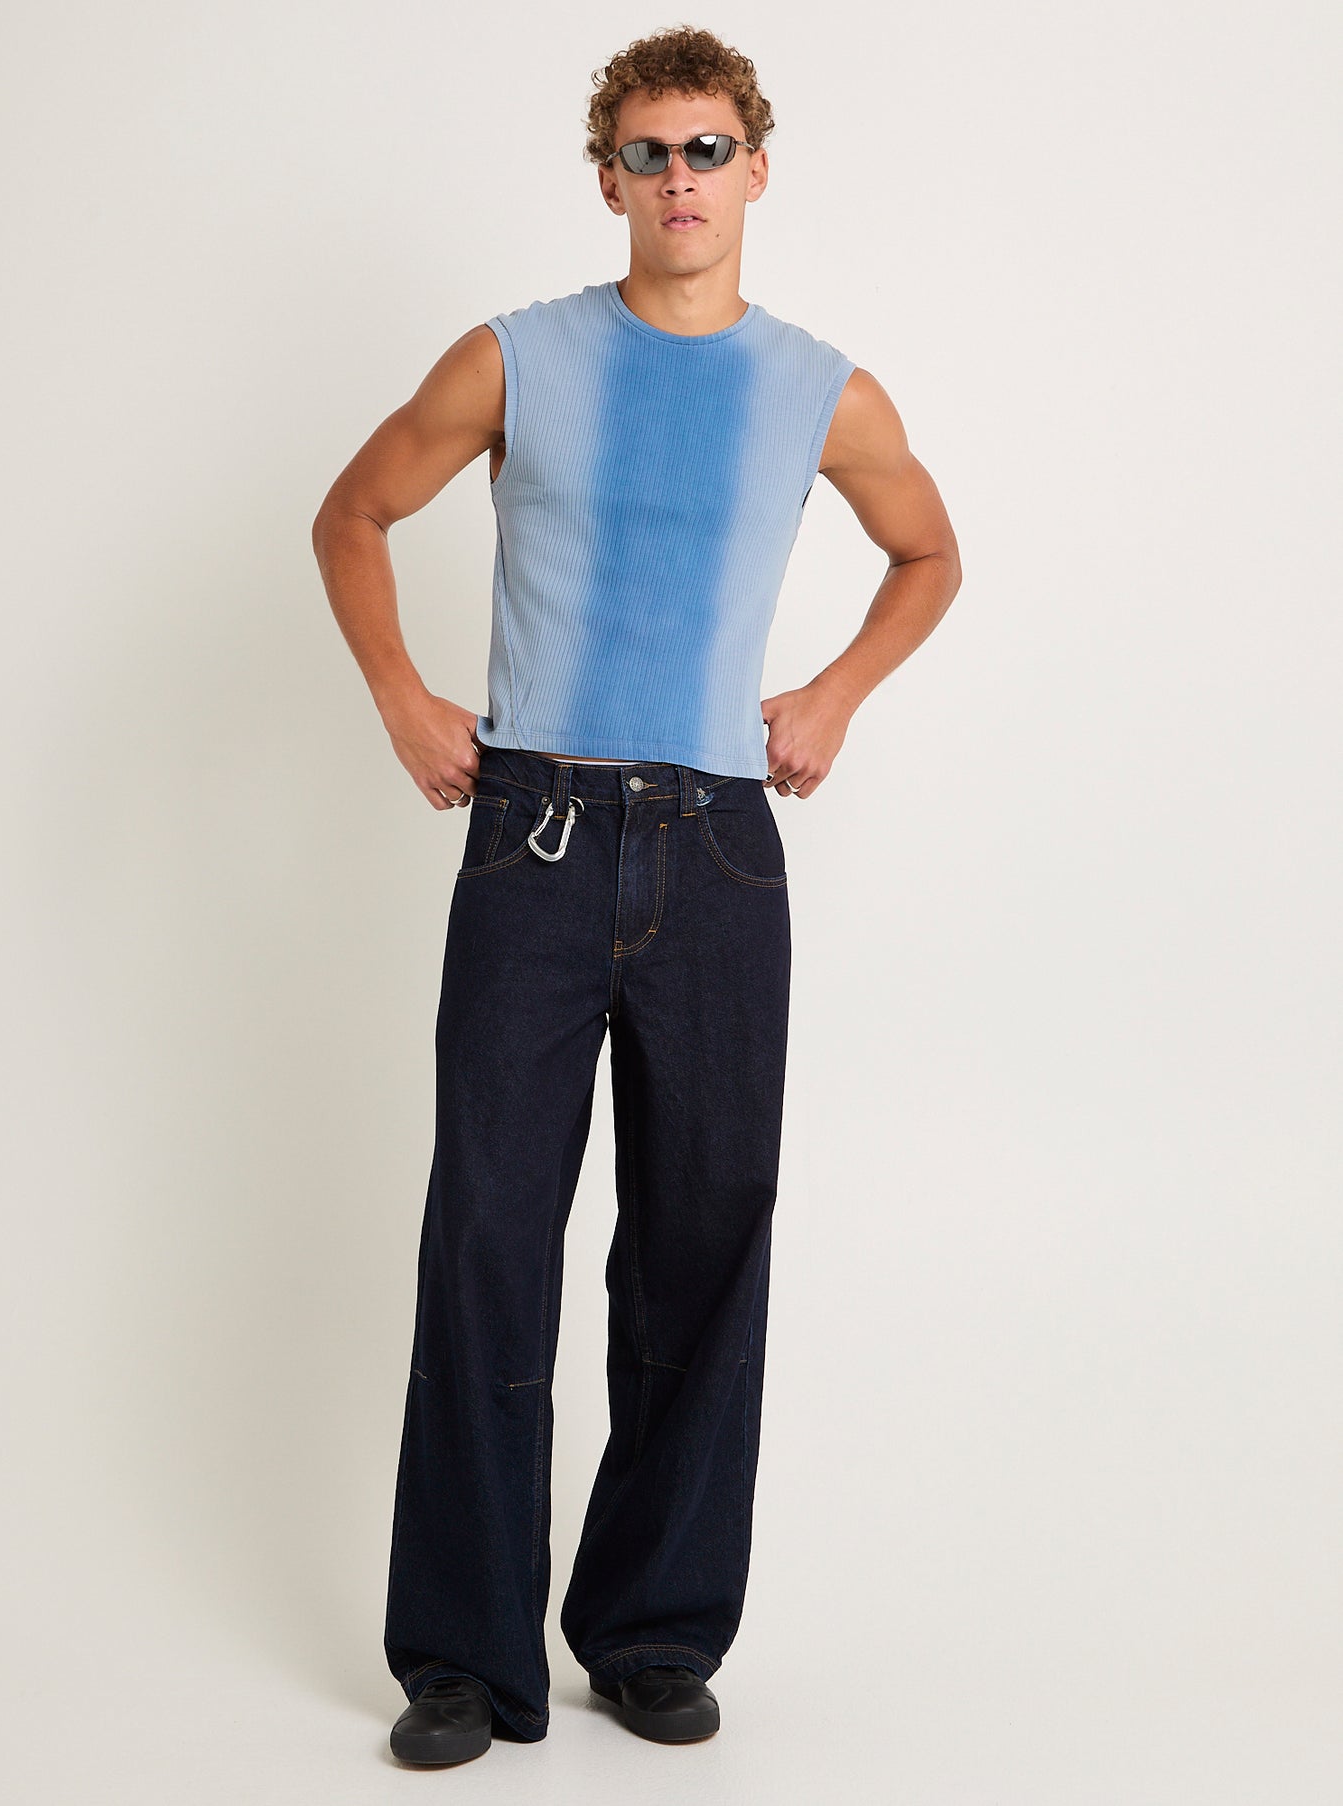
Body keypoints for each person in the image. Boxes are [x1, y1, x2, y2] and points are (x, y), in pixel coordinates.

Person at [311, 26, 961, 1768]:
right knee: (488, 1237)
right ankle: (463, 1657)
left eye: (707, 148)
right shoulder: (515, 357)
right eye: (649, 152)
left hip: (718, 844)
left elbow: (929, 551)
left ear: (757, 168)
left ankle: (652, 1628)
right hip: (531, 830)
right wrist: (403, 696)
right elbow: (353, 513)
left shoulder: (820, 388)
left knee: (701, 1240)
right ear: (607, 177)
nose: (680, 179)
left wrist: (833, 694)